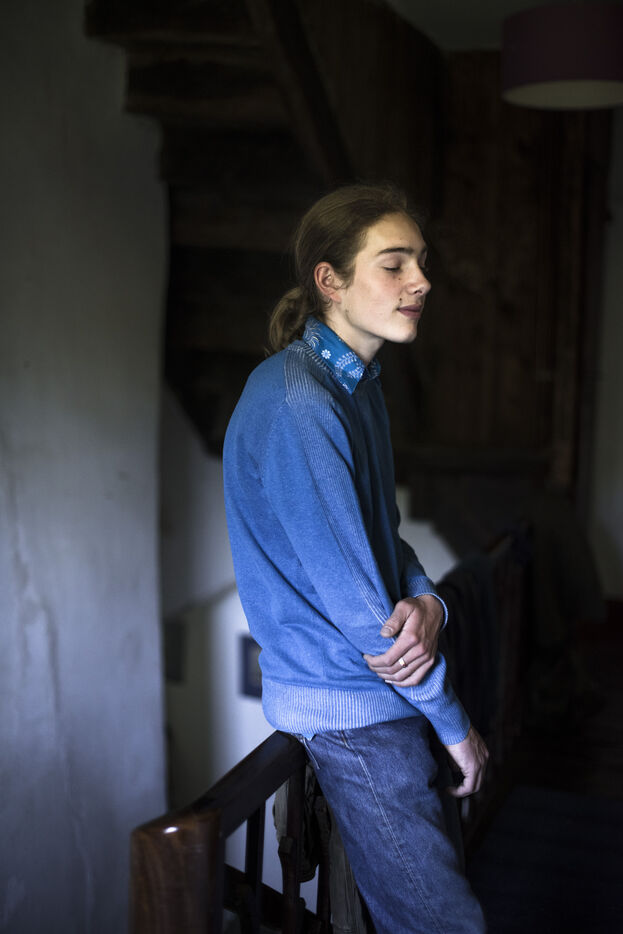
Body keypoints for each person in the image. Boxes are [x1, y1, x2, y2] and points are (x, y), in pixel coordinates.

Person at [223, 184, 488, 933]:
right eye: (394, 264)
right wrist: (454, 724)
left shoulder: (356, 384)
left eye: (422, 262)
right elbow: (367, 617)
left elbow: (381, 535)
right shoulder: (299, 402)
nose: (421, 281)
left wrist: (430, 601)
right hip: (351, 712)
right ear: (329, 280)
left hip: (373, 695)